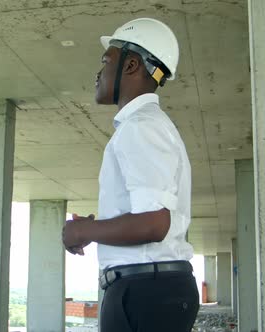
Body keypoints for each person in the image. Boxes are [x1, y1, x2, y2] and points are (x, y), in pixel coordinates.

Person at [62, 18, 199, 331]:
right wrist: (97, 226)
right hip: (152, 290)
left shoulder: (140, 128)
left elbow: (153, 223)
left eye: (106, 61)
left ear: (132, 65)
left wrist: (83, 232)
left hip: (144, 293)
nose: (99, 73)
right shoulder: (148, 126)